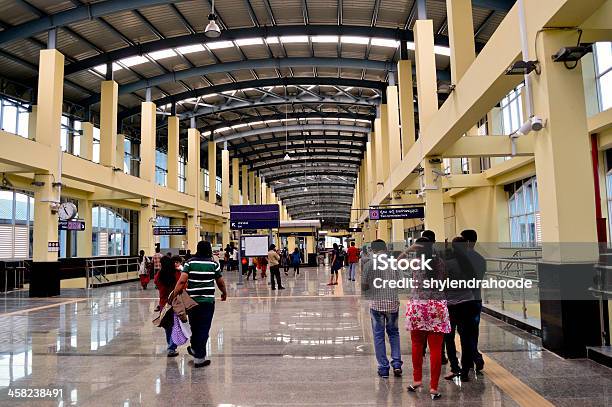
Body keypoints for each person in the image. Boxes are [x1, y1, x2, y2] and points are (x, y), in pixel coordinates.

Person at [406, 238, 450, 400]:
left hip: (418, 307)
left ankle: (417, 380)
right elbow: (445, 280)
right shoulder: (440, 262)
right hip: (437, 306)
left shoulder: (415, 263)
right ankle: (433, 387)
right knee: (436, 349)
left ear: (417, 249)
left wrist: (408, 250)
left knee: (417, 345)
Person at [173, 241, 227, 368]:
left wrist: (174, 295)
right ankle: (199, 358)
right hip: (207, 302)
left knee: (195, 326)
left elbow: (182, 281)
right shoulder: (213, 264)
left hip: (192, 302)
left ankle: (194, 348)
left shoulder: (190, 263)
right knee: (204, 328)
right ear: (209, 250)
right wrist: (224, 293)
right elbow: (220, 282)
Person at [361, 239, 403, 378]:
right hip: (392, 304)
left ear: (372, 250)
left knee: (378, 336)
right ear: (385, 248)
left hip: (376, 305)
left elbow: (364, 286)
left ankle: (383, 368)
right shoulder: (394, 263)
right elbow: (401, 283)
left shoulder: (369, 264)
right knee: (394, 333)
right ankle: (396, 364)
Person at [443, 237, 477, 382]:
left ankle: (455, 368)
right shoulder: (470, 264)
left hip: (451, 306)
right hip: (468, 303)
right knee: (466, 338)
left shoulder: (448, 263)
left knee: (449, 338)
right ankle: (465, 371)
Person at [460, 229, 487, 373]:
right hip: (477, 299)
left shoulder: (461, 258)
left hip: (464, 300)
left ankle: (474, 358)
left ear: (468, 241)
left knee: (464, 332)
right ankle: (471, 358)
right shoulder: (481, 259)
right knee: (473, 330)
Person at [155, 255, 182, 357]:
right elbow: (182, 285)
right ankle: (171, 347)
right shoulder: (176, 274)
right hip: (175, 303)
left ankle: (170, 345)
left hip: (163, 303)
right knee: (175, 325)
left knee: (167, 326)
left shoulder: (159, 275)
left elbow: (156, 283)